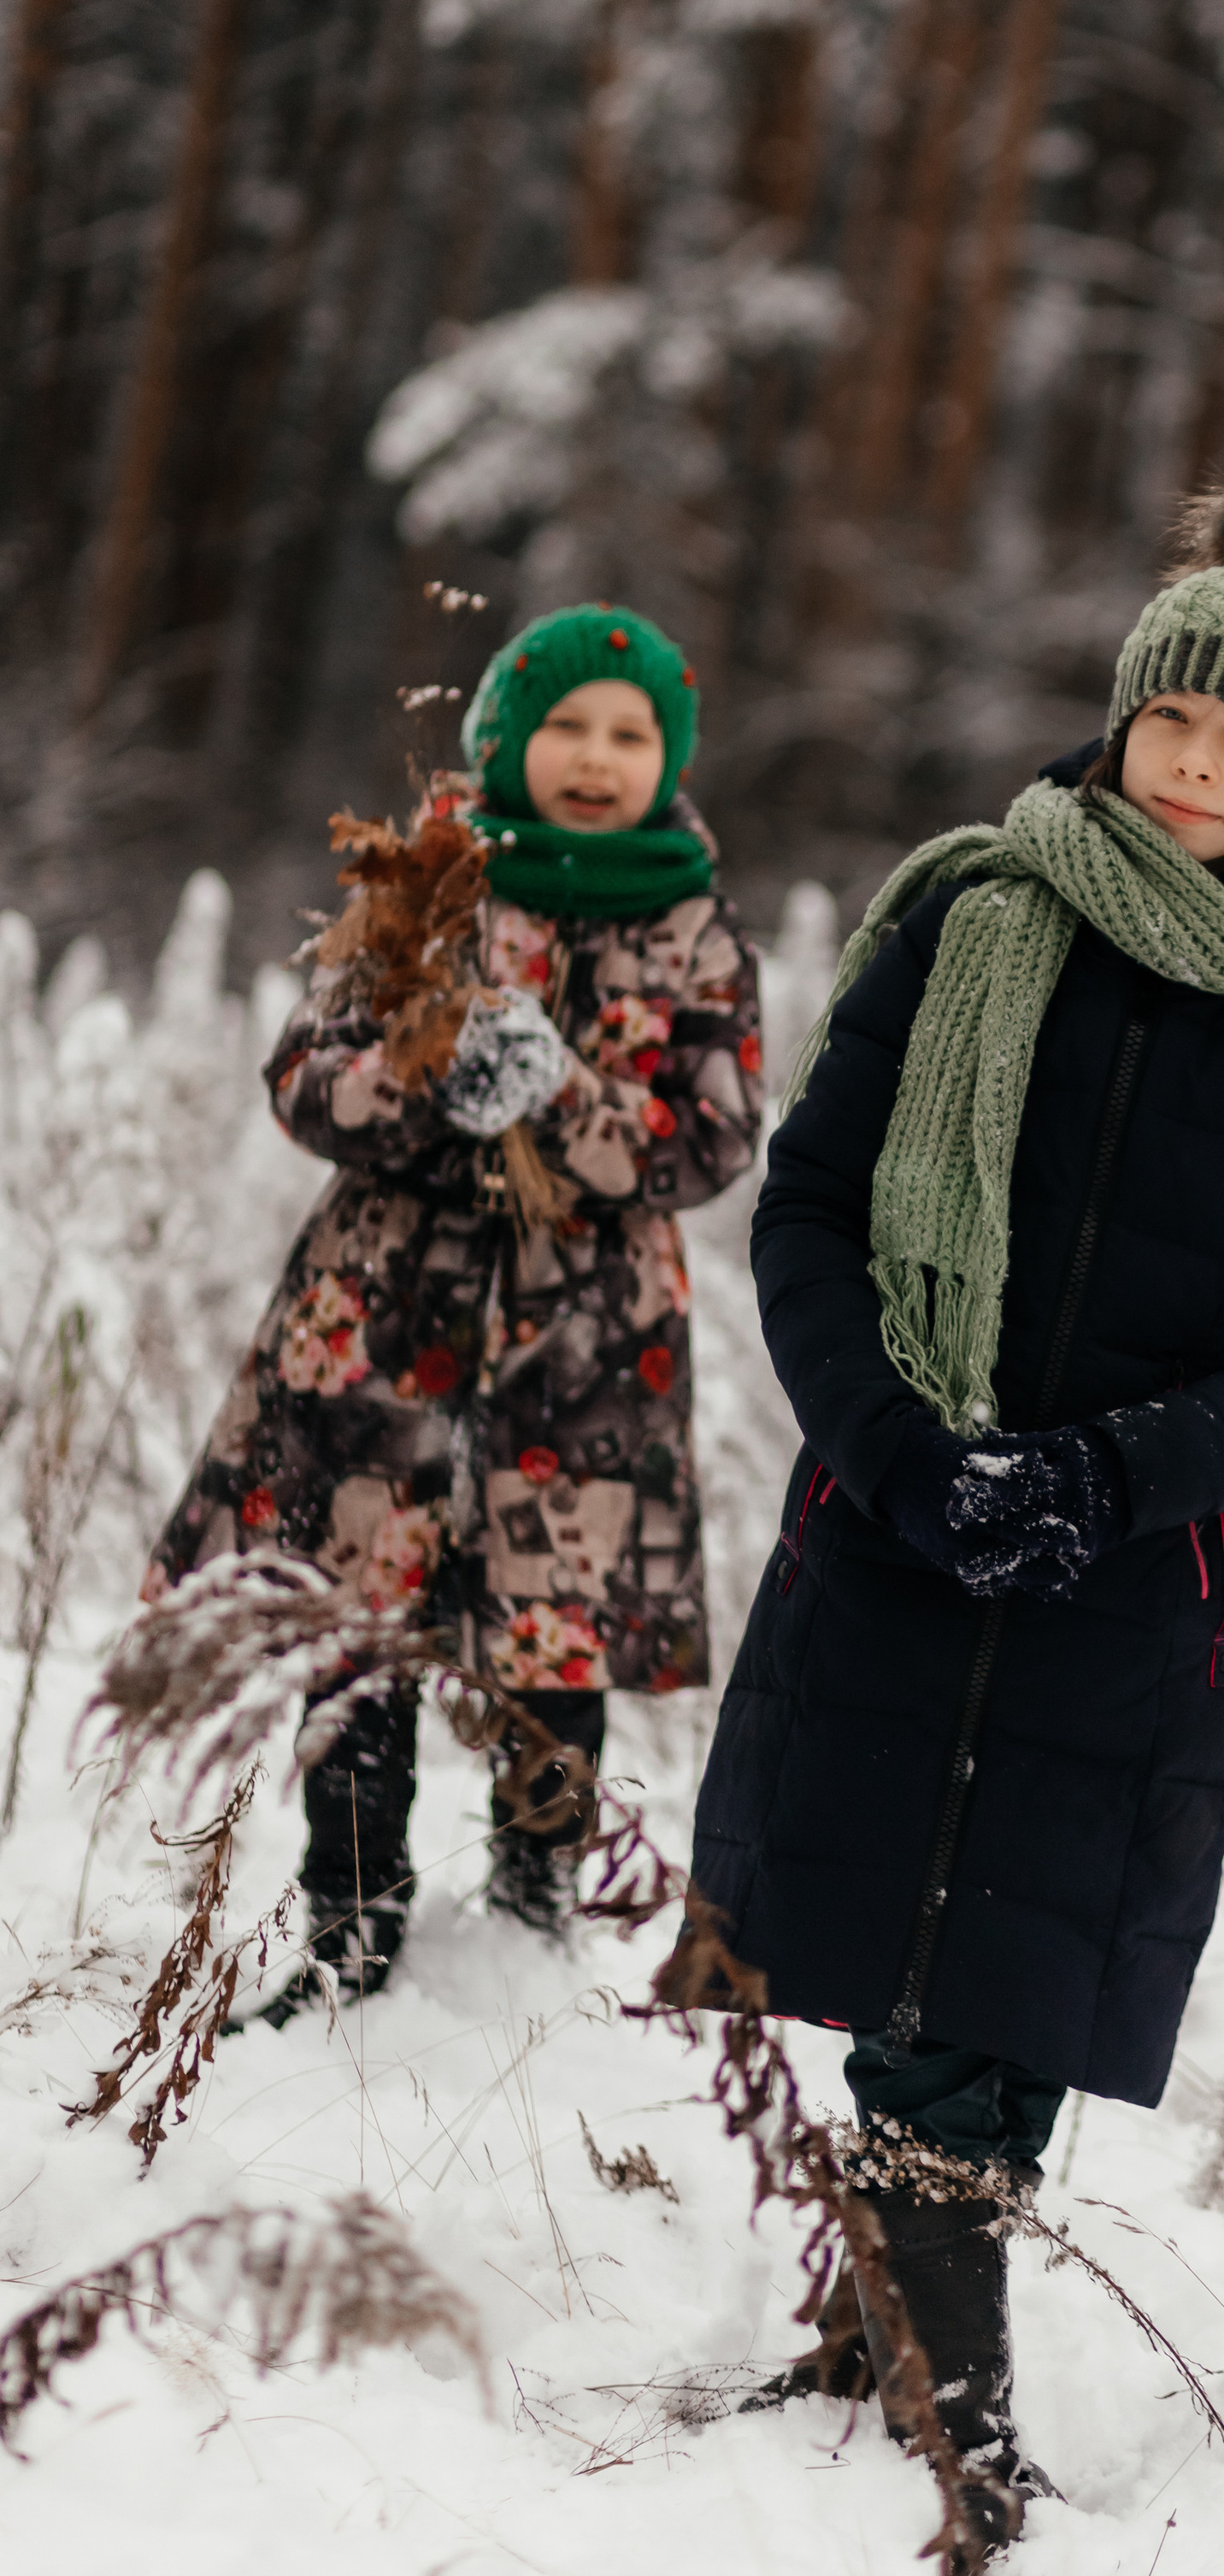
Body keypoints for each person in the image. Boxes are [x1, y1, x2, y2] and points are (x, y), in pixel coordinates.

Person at [680, 471, 1224, 2543]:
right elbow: (814, 1213)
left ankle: (900, 2347)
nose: (1189, 768)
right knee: (901, 1947)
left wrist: (1107, 1475)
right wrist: (903, 1454)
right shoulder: (965, 920)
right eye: (1164, 725)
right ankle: (933, 2386)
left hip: (1125, 1571)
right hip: (900, 1517)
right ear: (1120, 718)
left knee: (995, 1973)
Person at [145, 605, 763, 2019]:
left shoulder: (692, 926)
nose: (596, 756)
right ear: (501, 738)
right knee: (359, 1638)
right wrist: (434, 1083)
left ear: (667, 757)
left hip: (584, 1353)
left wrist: (562, 1096)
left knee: (553, 1638)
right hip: (381, 1336)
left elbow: (713, 1139)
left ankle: (535, 1919)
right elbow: (306, 1075)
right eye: (564, 726)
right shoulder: (427, 887)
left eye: (630, 732)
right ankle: (351, 1925)